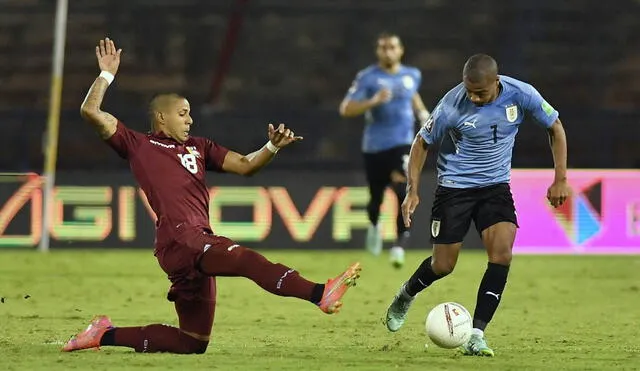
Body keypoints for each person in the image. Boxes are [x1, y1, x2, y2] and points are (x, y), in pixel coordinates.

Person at [62, 38, 361, 354]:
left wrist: (271, 147)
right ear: (161, 117)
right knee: (244, 258)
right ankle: (319, 293)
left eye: (190, 113)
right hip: (182, 240)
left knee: (193, 342)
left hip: (191, 245)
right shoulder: (138, 145)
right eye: (183, 113)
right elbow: (90, 110)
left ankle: (103, 334)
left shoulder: (200, 147)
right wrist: (106, 75)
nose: (190, 119)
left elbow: (246, 165)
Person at [384, 54, 570, 356]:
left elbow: (555, 127)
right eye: (468, 89)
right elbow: (421, 143)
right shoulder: (451, 105)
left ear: (496, 83)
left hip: (495, 187)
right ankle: (406, 294)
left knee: (502, 254)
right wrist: (412, 190)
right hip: (454, 189)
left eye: (480, 92)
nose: (473, 96)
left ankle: (476, 334)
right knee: (443, 265)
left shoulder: (521, 94)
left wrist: (560, 178)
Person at [339, 32, 431, 268]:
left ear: (400, 50)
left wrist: (423, 115)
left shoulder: (412, 75)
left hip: (402, 142)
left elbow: (412, 97)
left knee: (403, 189)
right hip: (374, 145)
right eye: (383, 48)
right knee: (376, 197)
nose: (388, 52)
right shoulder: (368, 78)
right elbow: (346, 109)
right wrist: (373, 101)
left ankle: (399, 245)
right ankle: (373, 225)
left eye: (392, 47)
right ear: (377, 51)